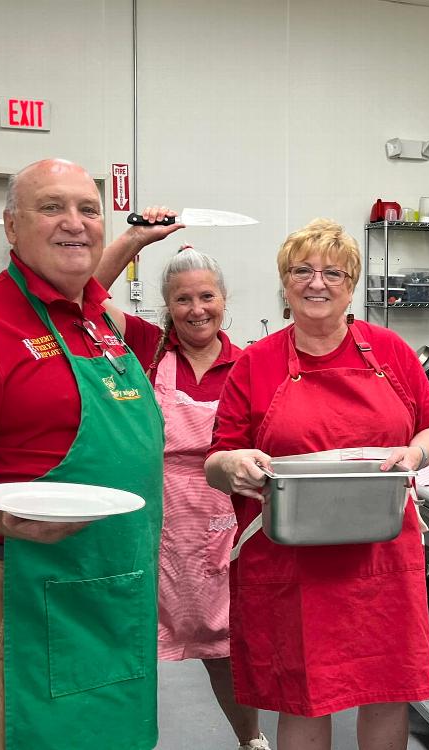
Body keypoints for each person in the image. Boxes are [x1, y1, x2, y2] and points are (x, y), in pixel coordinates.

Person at [0, 159, 164, 749]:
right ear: (12, 227)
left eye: (88, 209)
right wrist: (3, 515)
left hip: (114, 583)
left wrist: (132, 242)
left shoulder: (99, 321)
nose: (74, 222)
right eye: (52, 207)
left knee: (115, 737)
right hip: (23, 584)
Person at [204, 218, 429, 750]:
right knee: (305, 693)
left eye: (333, 272)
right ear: (285, 283)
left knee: (387, 687)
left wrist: (418, 451)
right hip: (293, 559)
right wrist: (235, 465)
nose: (317, 283)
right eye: (302, 271)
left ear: (352, 284)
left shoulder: (390, 352)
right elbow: (215, 459)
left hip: (381, 555)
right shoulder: (256, 363)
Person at [95, 208, 268, 750]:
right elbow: (86, 296)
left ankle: (250, 740)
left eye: (207, 297)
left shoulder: (250, 362)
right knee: (141, 639)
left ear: (225, 299)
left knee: (227, 647)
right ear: (167, 306)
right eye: (183, 299)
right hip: (160, 524)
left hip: (231, 521)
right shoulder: (145, 349)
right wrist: (134, 239)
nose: (197, 310)